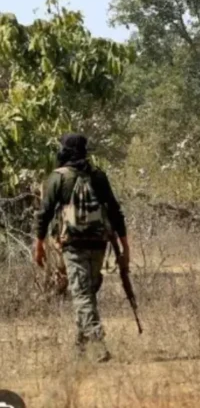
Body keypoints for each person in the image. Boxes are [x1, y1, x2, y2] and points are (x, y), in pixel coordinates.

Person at [33, 133, 129, 362]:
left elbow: (44, 213)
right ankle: (80, 348)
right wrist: (125, 246)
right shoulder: (98, 176)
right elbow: (115, 211)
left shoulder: (58, 178)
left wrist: (39, 244)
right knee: (87, 292)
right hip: (98, 243)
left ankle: (98, 343)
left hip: (72, 244)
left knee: (82, 293)